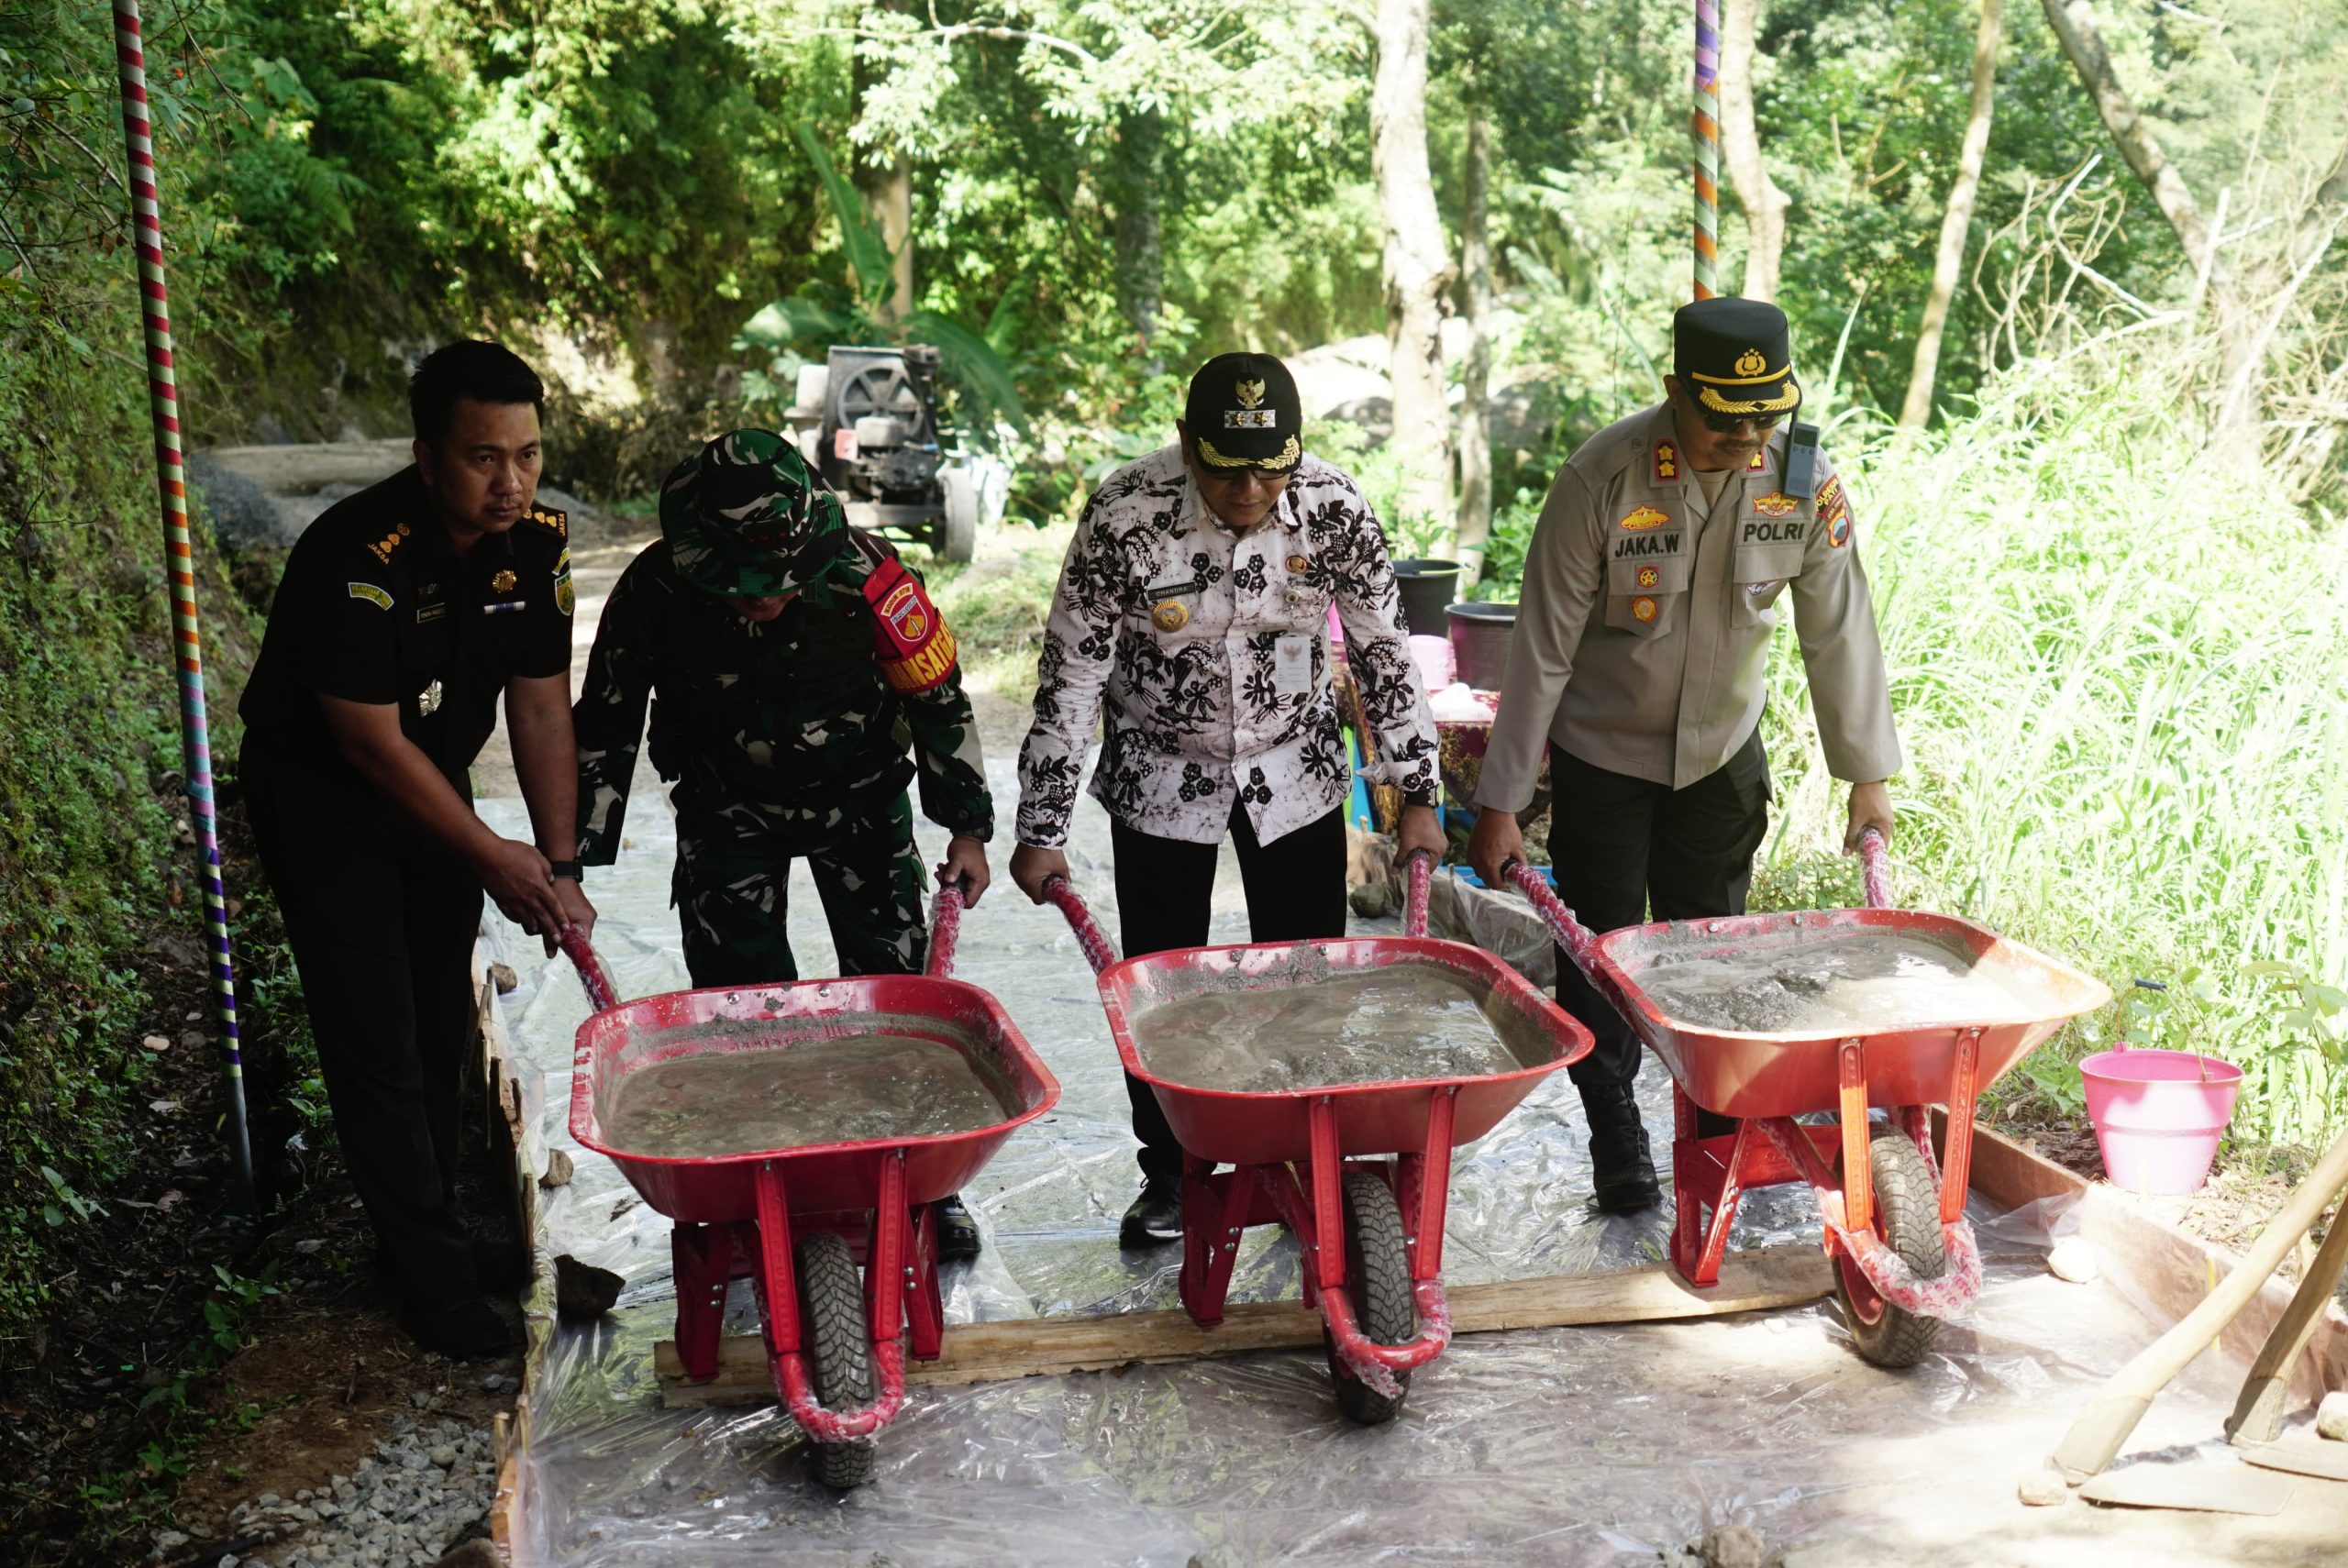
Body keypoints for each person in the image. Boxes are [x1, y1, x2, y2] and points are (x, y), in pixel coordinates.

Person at [1468, 297, 1901, 1212]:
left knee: (1715, 959)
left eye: (1764, 416)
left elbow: (1840, 633)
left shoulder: (1802, 479)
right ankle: (1614, 1128)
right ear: (1674, 392)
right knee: (1603, 956)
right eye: (1722, 417)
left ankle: (1716, 1140)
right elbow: (1540, 647)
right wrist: (1500, 802)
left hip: (1720, 759)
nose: (1747, 437)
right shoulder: (1605, 479)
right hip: (1604, 758)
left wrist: (1867, 776)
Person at [1008, 352, 1446, 1248]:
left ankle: (1300, 1155)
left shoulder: (1332, 509)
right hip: (1162, 776)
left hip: (1294, 773)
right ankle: (1170, 1173)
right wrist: (1041, 825)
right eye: (1225, 466)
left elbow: (1383, 653)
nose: (1250, 487)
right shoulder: (1125, 514)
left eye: (1270, 465)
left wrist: (1418, 792)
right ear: (1184, 444)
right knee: (1163, 986)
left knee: (1306, 980)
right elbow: (1072, 671)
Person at [238, 339, 593, 1358]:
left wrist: (557, 867)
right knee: (375, 1034)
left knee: (440, 1013)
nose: (511, 481)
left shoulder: (538, 545)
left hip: (432, 786)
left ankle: (426, 1233)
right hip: (327, 801)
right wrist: (492, 854)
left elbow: (538, 709)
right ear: (427, 454)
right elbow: (366, 743)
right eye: (485, 458)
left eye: (526, 455)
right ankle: (429, 1281)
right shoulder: (357, 556)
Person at [571, 429, 994, 1258]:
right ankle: (756, 1183)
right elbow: (606, 726)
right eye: (734, 586)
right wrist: (569, 867)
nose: (756, 599)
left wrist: (968, 828)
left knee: (898, 1004)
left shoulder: (870, 575)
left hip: (862, 807)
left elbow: (938, 697)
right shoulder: (655, 587)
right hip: (726, 811)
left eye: (773, 584)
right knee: (741, 1012)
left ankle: (919, 1183)